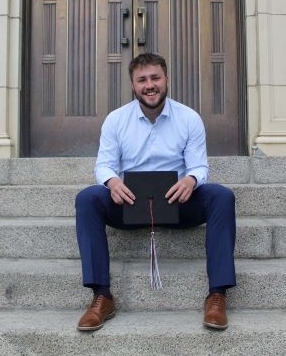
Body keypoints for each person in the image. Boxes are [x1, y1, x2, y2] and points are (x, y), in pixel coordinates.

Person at [75, 52, 237, 332]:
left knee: (222, 196)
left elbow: (199, 165)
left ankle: (217, 295)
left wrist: (191, 181)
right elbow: (104, 165)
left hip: (178, 202)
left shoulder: (189, 118)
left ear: (167, 80)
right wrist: (113, 183)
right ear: (133, 85)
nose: (149, 85)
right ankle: (101, 296)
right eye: (142, 80)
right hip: (131, 202)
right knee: (87, 198)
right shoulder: (116, 120)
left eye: (155, 78)